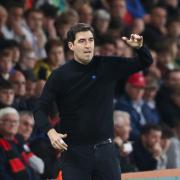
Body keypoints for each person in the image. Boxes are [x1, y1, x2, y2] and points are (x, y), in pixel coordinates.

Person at [34, 23, 153, 180]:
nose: (88, 45)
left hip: (106, 151)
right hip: (74, 153)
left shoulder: (107, 65)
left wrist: (140, 47)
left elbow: (145, 61)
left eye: (90, 40)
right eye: (82, 41)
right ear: (71, 45)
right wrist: (51, 132)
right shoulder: (59, 76)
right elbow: (40, 108)